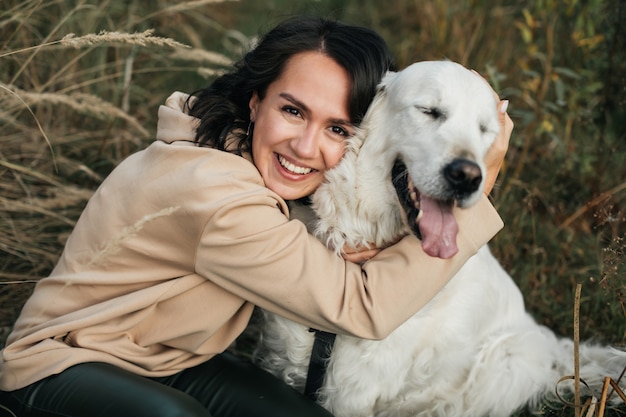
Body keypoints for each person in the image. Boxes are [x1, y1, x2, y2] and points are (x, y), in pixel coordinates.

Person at [0, 15, 513, 417]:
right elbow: (361, 310)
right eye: (293, 111)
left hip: (167, 360)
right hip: (64, 363)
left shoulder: (240, 156)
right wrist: (482, 184)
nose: (307, 146)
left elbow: (316, 216)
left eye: (337, 128)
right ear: (255, 101)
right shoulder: (213, 193)